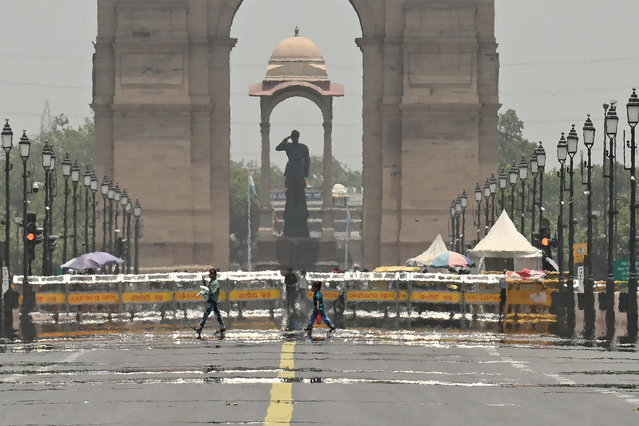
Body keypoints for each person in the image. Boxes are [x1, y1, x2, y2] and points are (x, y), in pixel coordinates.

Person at [276, 130, 310, 237]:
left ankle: (299, 208)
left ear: (298, 137)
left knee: (300, 193)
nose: (295, 137)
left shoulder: (303, 147)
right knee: (290, 193)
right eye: (293, 136)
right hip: (292, 171)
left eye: (295, 136)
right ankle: (293, 208)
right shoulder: (289, 146)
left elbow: (308, 161)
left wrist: (305, 173)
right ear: (292, 137)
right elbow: (278, 148)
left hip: (298, 171)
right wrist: (285, 140)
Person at [193, 268, 225, 339]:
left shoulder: (215, 283)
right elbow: (208, 288)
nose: (210, 275)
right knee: (217, 315)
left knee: (206, 314)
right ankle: (222, 327)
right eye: (209, 274)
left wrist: (205, 292)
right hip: (212, 300)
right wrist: (204, 282)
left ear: (215, 275)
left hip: (212, 300)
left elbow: (211, 291)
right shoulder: (212, 282)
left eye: (211, 274)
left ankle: (200, 328)